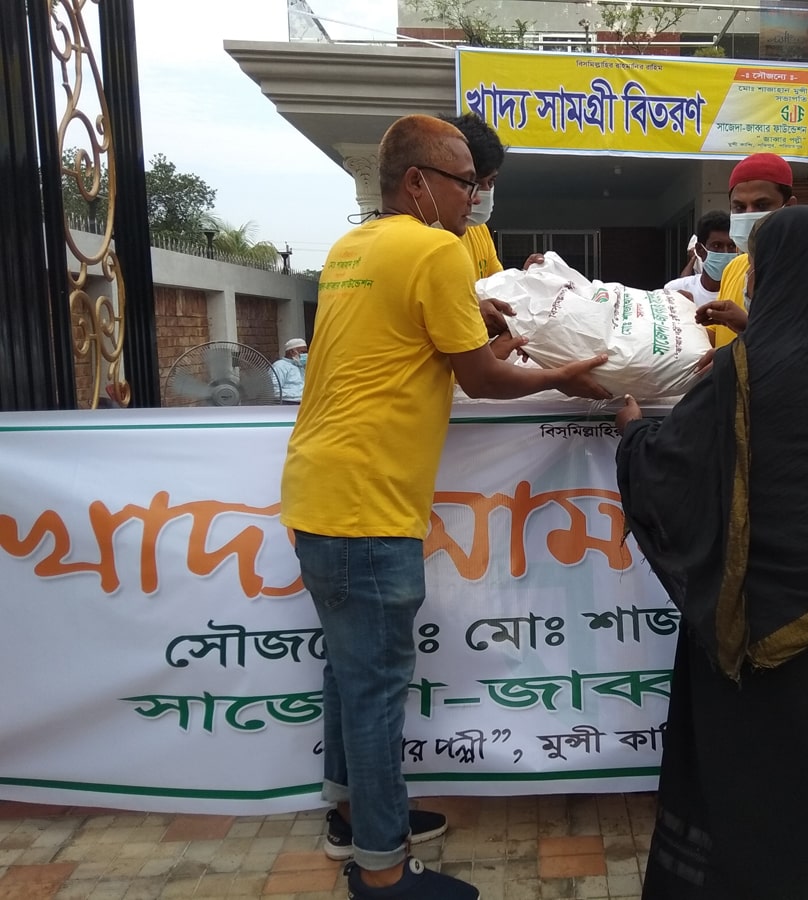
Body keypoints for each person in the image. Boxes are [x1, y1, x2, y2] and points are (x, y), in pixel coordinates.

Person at [280, 114, 611, 900]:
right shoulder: (433, 251)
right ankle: (383, 871)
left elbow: (410, 346)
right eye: (464, 182)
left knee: (348, 675)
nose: (474, 196)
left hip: (317, 490)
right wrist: (562, 376)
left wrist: (482, 328)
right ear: (416, 183)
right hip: (367, 506)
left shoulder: (353, 248)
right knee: (372, 688)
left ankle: (354, 819)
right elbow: (482, 379)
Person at [613, 205, 808, 900]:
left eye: (759, 272)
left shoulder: (742, 370)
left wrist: (631, 432)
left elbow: (671, 467)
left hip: (754, 609)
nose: (748, 282)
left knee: (755, 760)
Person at [442, 112, 543, 338]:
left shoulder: (478, 230)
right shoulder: (422, 240)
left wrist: (524, 280)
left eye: (491, 182)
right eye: (472, 183)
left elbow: (499, 289)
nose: (481, 196)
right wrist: (473, 314)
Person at [694, 152, 797, 348]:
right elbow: (717, 336)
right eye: (739, 208)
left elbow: (805, 350)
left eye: (761, 205)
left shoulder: (803, 272)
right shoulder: (734, 267)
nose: (749, 215)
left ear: (789, 207)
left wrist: (746, 326)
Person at [662, 211, 737, 308]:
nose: (725, 253)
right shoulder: (676, 290)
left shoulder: (745, 293)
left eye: (731, 246)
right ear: (700, 250)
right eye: (717, 246)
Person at [271, 337, 306, 405]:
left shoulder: (300, 365)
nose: (305, 355)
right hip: (288, 402)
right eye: (302, 352)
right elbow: (275, 390)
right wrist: (297, 395)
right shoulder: (279, 366)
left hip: (304, 402)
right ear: (292, 352)